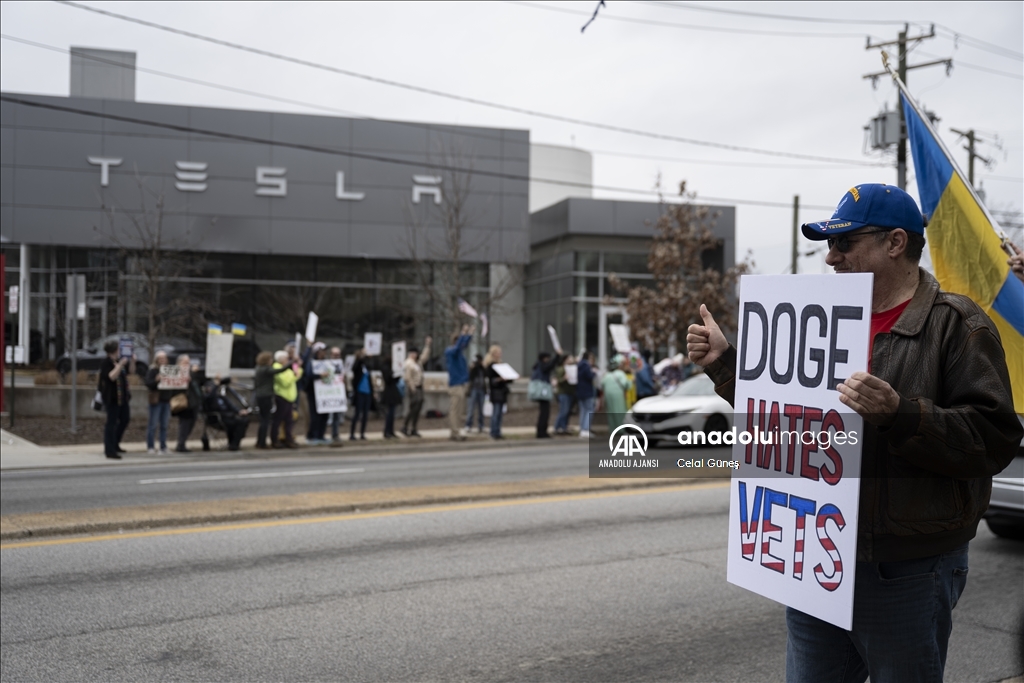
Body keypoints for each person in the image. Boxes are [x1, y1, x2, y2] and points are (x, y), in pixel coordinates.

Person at [687, 183, 1021, 683]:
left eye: (845, 243)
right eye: (829, 244)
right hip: (817, 560)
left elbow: (995, 439)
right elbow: (785, 415)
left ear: (895, 243)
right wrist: (725, 366)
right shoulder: (817, 318)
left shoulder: (955, 323)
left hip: (906, 567)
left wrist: (901, 414)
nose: (831, 257)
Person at [97, 339, 135, 459]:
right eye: (118, 349)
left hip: (123, 397)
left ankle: (116, 443)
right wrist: (120, 365)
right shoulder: (106, 363)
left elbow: (131, 372)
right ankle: (109, 450)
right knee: (111, 423)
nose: (120, 351)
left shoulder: (120, 361)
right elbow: (111, 377)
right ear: (113, 350)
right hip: (112, 398)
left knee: (125, 419)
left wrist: (132, 361)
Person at [444, 325, 474, 441]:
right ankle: (454, 432)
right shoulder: (450, 352)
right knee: (455, 410)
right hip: (455, 385)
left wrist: (469, 334)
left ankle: (455, 431)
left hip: (462, 384)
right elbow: (458, 348)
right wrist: (463, 333)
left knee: (460, 411)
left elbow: (464, 344)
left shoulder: (459, 354)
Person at [253, 351, 285, 449]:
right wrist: (291, 364)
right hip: (266, 396)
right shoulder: (266, 369)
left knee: (262, 420)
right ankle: (262, 443)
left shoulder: (258, 368)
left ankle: (259, 441)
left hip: (259, 395)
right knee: (266, 420)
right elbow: (279, 371)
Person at [271, 350, 302, 449]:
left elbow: (296, 374)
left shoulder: (286, 368)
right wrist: (295, 375)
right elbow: (286, 382)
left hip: (289, 398)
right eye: (286, 358)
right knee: (278, 420)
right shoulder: (277, 368)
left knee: (289, 420)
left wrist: (297, 366)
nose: (287, 360)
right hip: (281, 397)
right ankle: (275, 439)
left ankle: (288, 438)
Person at [401, 336, 432, 437]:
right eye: (412, 353)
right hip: (414, 388)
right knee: (413, 408)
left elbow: (425, 357)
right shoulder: (408, 364)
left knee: (418, 409)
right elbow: (408, 378)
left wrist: (427, 345)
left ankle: (414, 428)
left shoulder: (417, 363)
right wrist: (412, 388)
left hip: (420, 386)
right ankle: (405, 426)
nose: (414, 355)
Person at [143, 351, 172, 455]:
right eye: (160, 359)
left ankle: (163, 447)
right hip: (156, 401)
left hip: (166, 400)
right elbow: (147, 383)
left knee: (164, 425)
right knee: (153, 424)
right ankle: (150, 446)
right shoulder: (153, 371)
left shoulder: (169, 371)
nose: (163, 361)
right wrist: (156, 380)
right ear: (157, 360)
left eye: (164, 359)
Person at [173, 355, 203, 453]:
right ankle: (181, 444)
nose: (187, 365)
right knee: (184, 424)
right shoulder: (177, 372)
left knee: (191, 424)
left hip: (193, 402)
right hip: (184, 402)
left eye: (188, 363)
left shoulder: (192, 374)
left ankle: (183, 442)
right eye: (185, 362)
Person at [531, 350, 564, 438]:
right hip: (542, 392)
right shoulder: (542, 365)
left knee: (544, 412)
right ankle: (542, 432)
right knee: (544, 412)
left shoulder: (538, 366)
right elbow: (549, 366)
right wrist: (557, 356)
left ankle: (542, 431)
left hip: (541, 392)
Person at [599, 354, 631, 432]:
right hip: (618, 396)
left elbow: (601, 385)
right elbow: (627, 385)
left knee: (611, 413)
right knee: (620, 412)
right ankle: (621, 430)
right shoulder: (621, 374)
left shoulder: (607, 375)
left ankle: (613, 429)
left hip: (608, 396)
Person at [484, 345, 509, 439]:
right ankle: (493, 432)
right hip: (496, 392)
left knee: (500, 414)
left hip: (502, 391)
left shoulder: (501, 365)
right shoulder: (491, 366)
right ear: (494, 354)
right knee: (496, 412)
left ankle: (498, 431)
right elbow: (491, 380)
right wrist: (500, 379)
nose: (500, 354)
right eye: (498, 352)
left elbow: (507, 378)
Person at [350, 349, 371, 441]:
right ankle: (352, 433)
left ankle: (362, 433)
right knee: (357, 413)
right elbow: (355, 367)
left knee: (365, 414)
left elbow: (371, 365)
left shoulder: (366, 366)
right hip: (359, 392)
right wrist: (361, 356)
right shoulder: (357, 366)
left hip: (367, 392)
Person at [380, 354, 403, 439]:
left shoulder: (389, 367)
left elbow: (395, 380)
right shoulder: (385, 368)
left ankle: (391, 431)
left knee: (392, 413)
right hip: (389, 392)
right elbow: (388, 379)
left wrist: (398, 373)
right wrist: (394, 373)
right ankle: (387, 431)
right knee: (390, 413)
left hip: (392, 391)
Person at [553, 355, 576, 435]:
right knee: (563, 410)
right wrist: (564, 378)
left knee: (567, 411)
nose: (571, 360)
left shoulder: (573, 368)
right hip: (563, 393)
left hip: (570, 392)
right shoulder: (561, 369)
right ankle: (557, 427)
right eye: (569, 359)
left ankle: (564, 427)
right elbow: (557, 381)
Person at [575, 351, 596, 438]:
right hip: (587, 391)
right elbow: (589, 376)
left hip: (579, 391)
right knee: (589, 409)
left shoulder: (578, 365)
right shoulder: (586, 366)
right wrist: (594, 373)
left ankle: (582, 429)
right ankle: (586, 429)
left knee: (583, 410)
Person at [465, 353, 487, 433]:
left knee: (481, 409)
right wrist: (472, 367)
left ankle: (481, 425)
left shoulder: (482, 368)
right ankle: (468, 425)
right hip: (473, 389)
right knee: (471, 409)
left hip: (481, 390)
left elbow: (486, 374)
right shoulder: (473, 368)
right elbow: (470, 377)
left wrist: (482, 366)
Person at [329, 346, 346, 443]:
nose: (337, 357)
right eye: (335, 355)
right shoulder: (327, 364)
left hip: (338, 392)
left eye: (338, 355)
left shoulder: (341, 364)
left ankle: (335, 434)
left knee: (337, 415)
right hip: (329, 392)